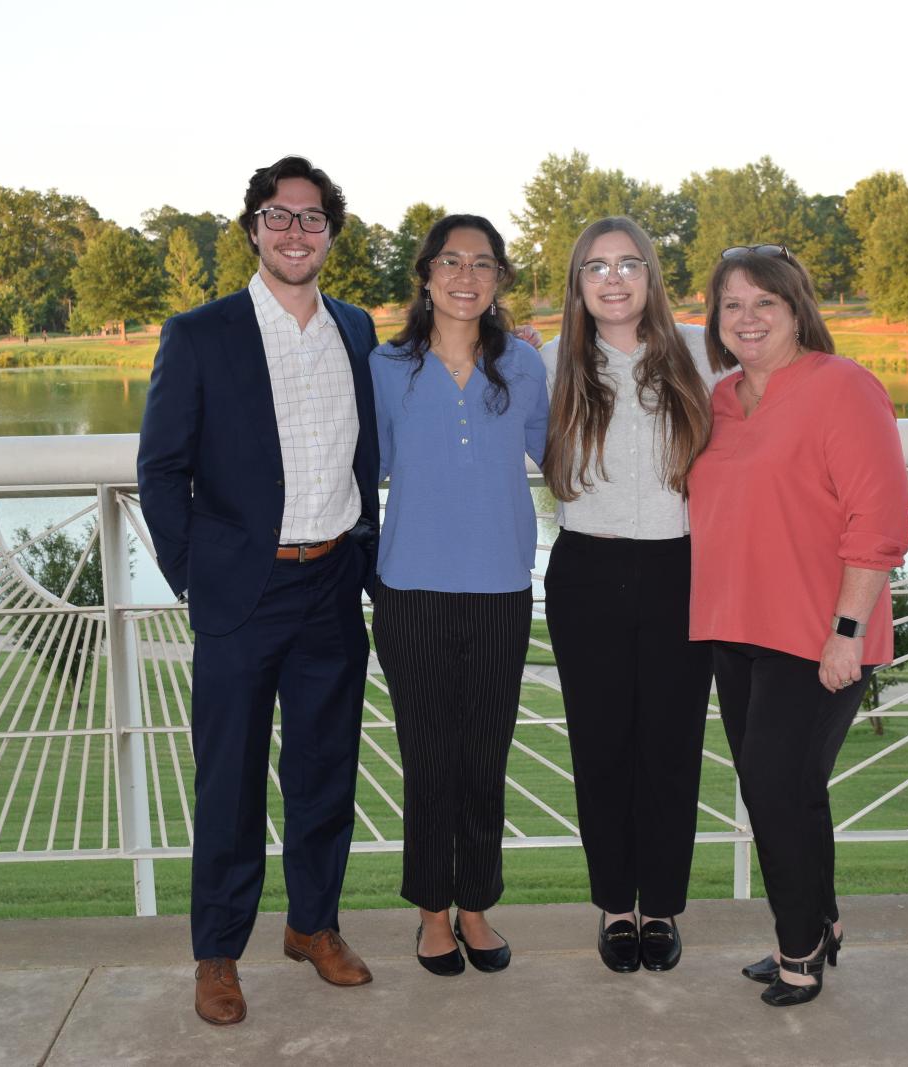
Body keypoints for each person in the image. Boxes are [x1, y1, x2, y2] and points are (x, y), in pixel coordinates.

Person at [137, 156, 380, 1026]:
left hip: (333, 584)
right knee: (229, 784)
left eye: (312, 218)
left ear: (330, 234)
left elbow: (372, 448)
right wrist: (195, 574)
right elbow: (161, 469)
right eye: (278, 215)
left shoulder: (356, 329)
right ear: (253, 229)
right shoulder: (200, 333)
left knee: (325, 772)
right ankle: (218, 953)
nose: (295, 231)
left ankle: (313, 925)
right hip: (241, 593)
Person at [687, 245, 908, 1007]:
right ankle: (822, 919)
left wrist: (848, 630)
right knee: (788, 786)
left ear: (796, 310)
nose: (746, 318)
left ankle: (800, 947)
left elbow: (879, 520)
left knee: (775, 788)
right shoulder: (719, 399)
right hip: (735, 628)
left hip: (820, 634)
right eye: (731, 304)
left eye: (765, 303)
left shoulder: (843, 386)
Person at [368, 214, 548, 977]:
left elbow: (564, 453)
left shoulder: (526, 365)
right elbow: (359, 468)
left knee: (484, 758)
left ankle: (476, 903)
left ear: (499, 277)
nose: (465, 275)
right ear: (426, 274)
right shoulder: (384, 365)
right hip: (411, 590)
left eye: (481, 262)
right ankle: (431, 914)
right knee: (429, 759)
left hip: (502, 588)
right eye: (450, 261)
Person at [539, 217, 716, 973]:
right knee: (601, 745)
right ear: (578, 282)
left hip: (682, 568)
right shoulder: (549, 363)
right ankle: (616, 905)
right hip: (587, 570)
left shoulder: (702, 352)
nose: (613, 279)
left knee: (671, 748)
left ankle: (662, 906)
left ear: (651, 276)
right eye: (597, 266)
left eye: (629, 264)